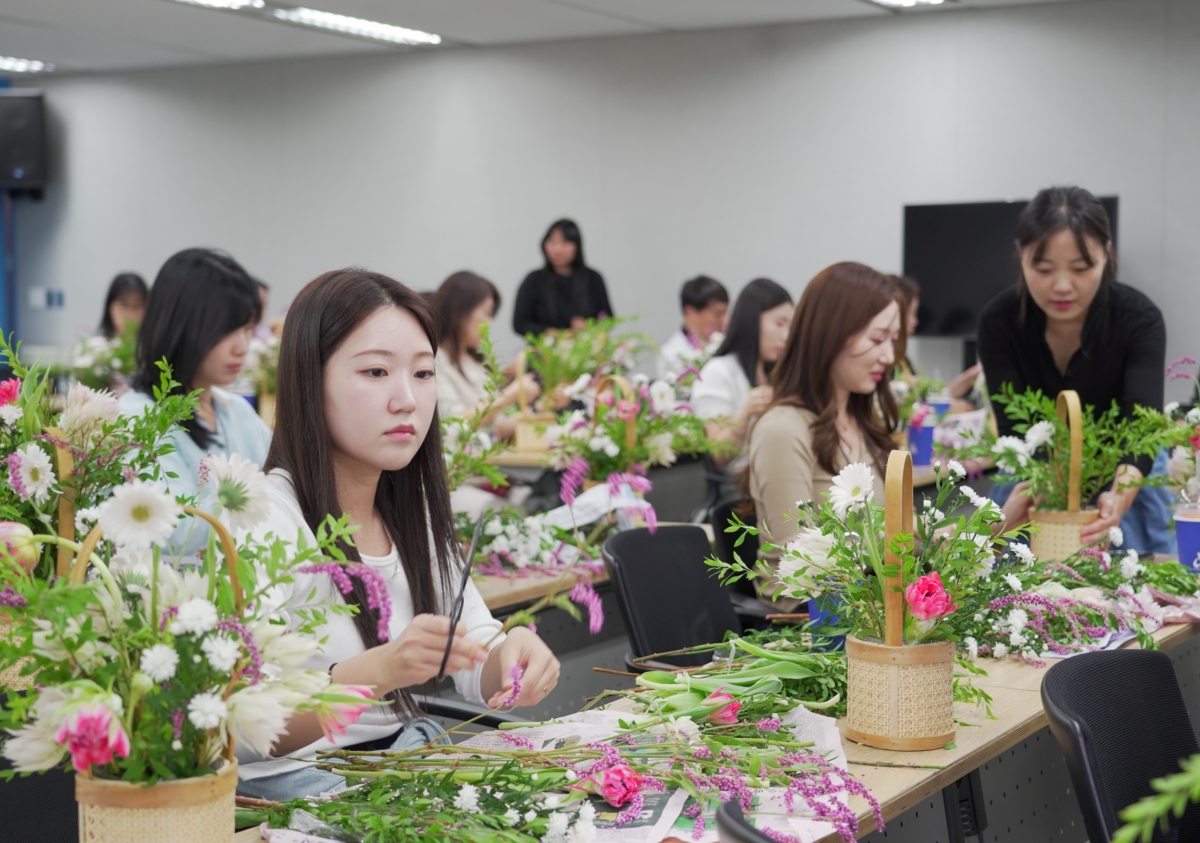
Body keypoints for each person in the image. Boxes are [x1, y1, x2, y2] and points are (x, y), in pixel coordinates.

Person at [235, 269, 559, 801]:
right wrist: (378, 671)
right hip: (299, 790)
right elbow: (244, 733)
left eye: (424, 373)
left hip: (399, 765)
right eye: (376, 372)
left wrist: (510, 659)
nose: (407, 399)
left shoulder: (408, 510)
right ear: (309, 380)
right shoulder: (265, 520)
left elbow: (474, 650)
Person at [976, 185, 1169, 549]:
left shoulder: (1138, 320)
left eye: (1081, 268)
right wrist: (1052, 494)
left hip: (1125, 468)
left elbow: (1142, 432)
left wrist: (1119, 499)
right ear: (1021, 256)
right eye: (1043, 269)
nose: (1062, 286)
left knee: (1136, 569)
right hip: (1036, 471)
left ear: (1106, 254)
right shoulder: (998, 323)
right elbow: (1016, 432)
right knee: (1012, 570)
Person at [747, 262, 900, 594]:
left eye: (894, 340)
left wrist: (957, 537)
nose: (889, 356)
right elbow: (804, 568)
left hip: (867, 603)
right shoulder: (782, 430)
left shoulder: (862, 421)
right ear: (832, 334)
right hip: (811, 615)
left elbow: (900, 537)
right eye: (877, 339)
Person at [118, 248, 271, 555]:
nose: (242, 347)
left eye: (247, 329)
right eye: (228, 330)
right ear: (182, 326)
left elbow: (288, 480)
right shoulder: (138, 419)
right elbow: (176, 531)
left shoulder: (235, 410)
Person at [430, 271, 540, 516]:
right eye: (486, 313)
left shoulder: (475, 363)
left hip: (487, 471)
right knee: (521, 510)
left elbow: (495, 430)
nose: (488, 324)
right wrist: (511, 395)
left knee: (541, 499)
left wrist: (537, 411)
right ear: (460, 310)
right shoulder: (434, 360)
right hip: (457, 478)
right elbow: (458, 423)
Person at [692, 278, 793, 470]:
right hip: (745, 481)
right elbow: (719, 455)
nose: (786, 336)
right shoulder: (718, 372)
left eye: (789, 327)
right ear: (752, 321)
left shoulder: (772, 371)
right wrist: (746, 412)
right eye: (779, 324)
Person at [890, 275, 981, 411]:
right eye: (912, 313)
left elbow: (927, 399)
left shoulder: (902, 359)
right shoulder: (886, 362)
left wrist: (969, 377)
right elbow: (917, 407)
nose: (915, 322)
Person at [512, 219, 613, 337]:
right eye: (552, 242)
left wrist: (589, 326)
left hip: (585, 345)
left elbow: (608, 319)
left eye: (565, 242)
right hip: (545, 347)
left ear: (577, 245)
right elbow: (520, 324)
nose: (558, 249)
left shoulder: (593, 279)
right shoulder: (534, 280)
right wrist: (558, 334)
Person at [657, 275, 729, 382]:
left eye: (726, 313)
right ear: (690, 311)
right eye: (717, 314)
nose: (725, 320)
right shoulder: (671, 355)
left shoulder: (726, 342)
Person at [99, 272, 148, 339]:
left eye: (138, 306)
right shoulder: (95, 345)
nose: (131, 315)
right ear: (109, 306)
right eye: (124, 305)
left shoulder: (154, 345)